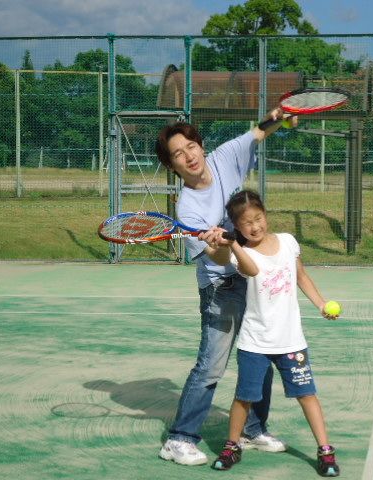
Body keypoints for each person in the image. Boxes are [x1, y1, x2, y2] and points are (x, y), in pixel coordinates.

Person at [154, 111, 297, 466]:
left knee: (261, 358)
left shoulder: (224, 157)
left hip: (252, 280)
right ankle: (179, 439)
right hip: (221, 287)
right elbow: (216, 260)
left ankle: (252, 429)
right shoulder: (187, 208)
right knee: (211, 367)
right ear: (172, 166)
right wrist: (220, 243)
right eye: (178, 154)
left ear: (201, 147)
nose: (189, 156)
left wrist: (278, 118)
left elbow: (257, 133)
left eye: (191, 146)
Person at [208, 189, 340, 477]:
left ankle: (325, 451)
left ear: (265, 215)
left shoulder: (288, 242)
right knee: (244, 397)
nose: (254, 226)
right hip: (254, 342)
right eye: (246, 223)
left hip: (291, 341)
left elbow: (301, 276)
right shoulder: (241, 253)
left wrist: (320, 304)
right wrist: (232, 244)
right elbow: (252, 270)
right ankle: (232, 446)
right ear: (237, 226)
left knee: (307, 395)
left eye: (258, 218)